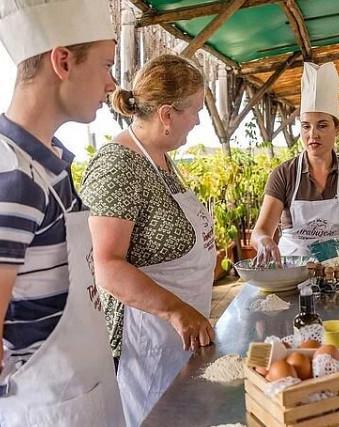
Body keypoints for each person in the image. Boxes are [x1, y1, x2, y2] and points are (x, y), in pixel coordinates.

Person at [0, 0, 124, 425]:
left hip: (83, 394)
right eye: (106, 66)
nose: (111, 85)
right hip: (47, 409)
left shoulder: (49, 165)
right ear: (64, 61)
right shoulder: (13, 178)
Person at [79, 54, 215, 426]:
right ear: (167, 114)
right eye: (196, 111)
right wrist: (175, 310)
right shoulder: (118, 167)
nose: (199, 121)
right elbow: (106, 265)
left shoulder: (163, 160)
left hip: (177, 341)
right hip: (143, 346)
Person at [251, 62, 339, 265]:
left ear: (337, 127)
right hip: (292, 270)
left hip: (338, 269)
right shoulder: (283, 174)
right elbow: (261, 231)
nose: (312, 134)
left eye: (322, 125)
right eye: (306, 126)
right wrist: (263, 241)